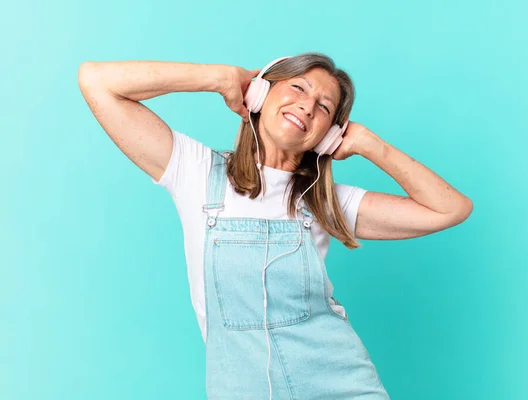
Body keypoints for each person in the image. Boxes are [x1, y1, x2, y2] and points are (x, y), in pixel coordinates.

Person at [78, 52, 473, 399]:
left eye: (324, 108)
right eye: (298, 88)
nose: (307, 107)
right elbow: (98, 81)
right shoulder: (195, 172)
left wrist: (371, 145)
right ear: (259, 96)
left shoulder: (327, 202)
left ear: (330, 134)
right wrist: (219, 79)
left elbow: (449, 209)